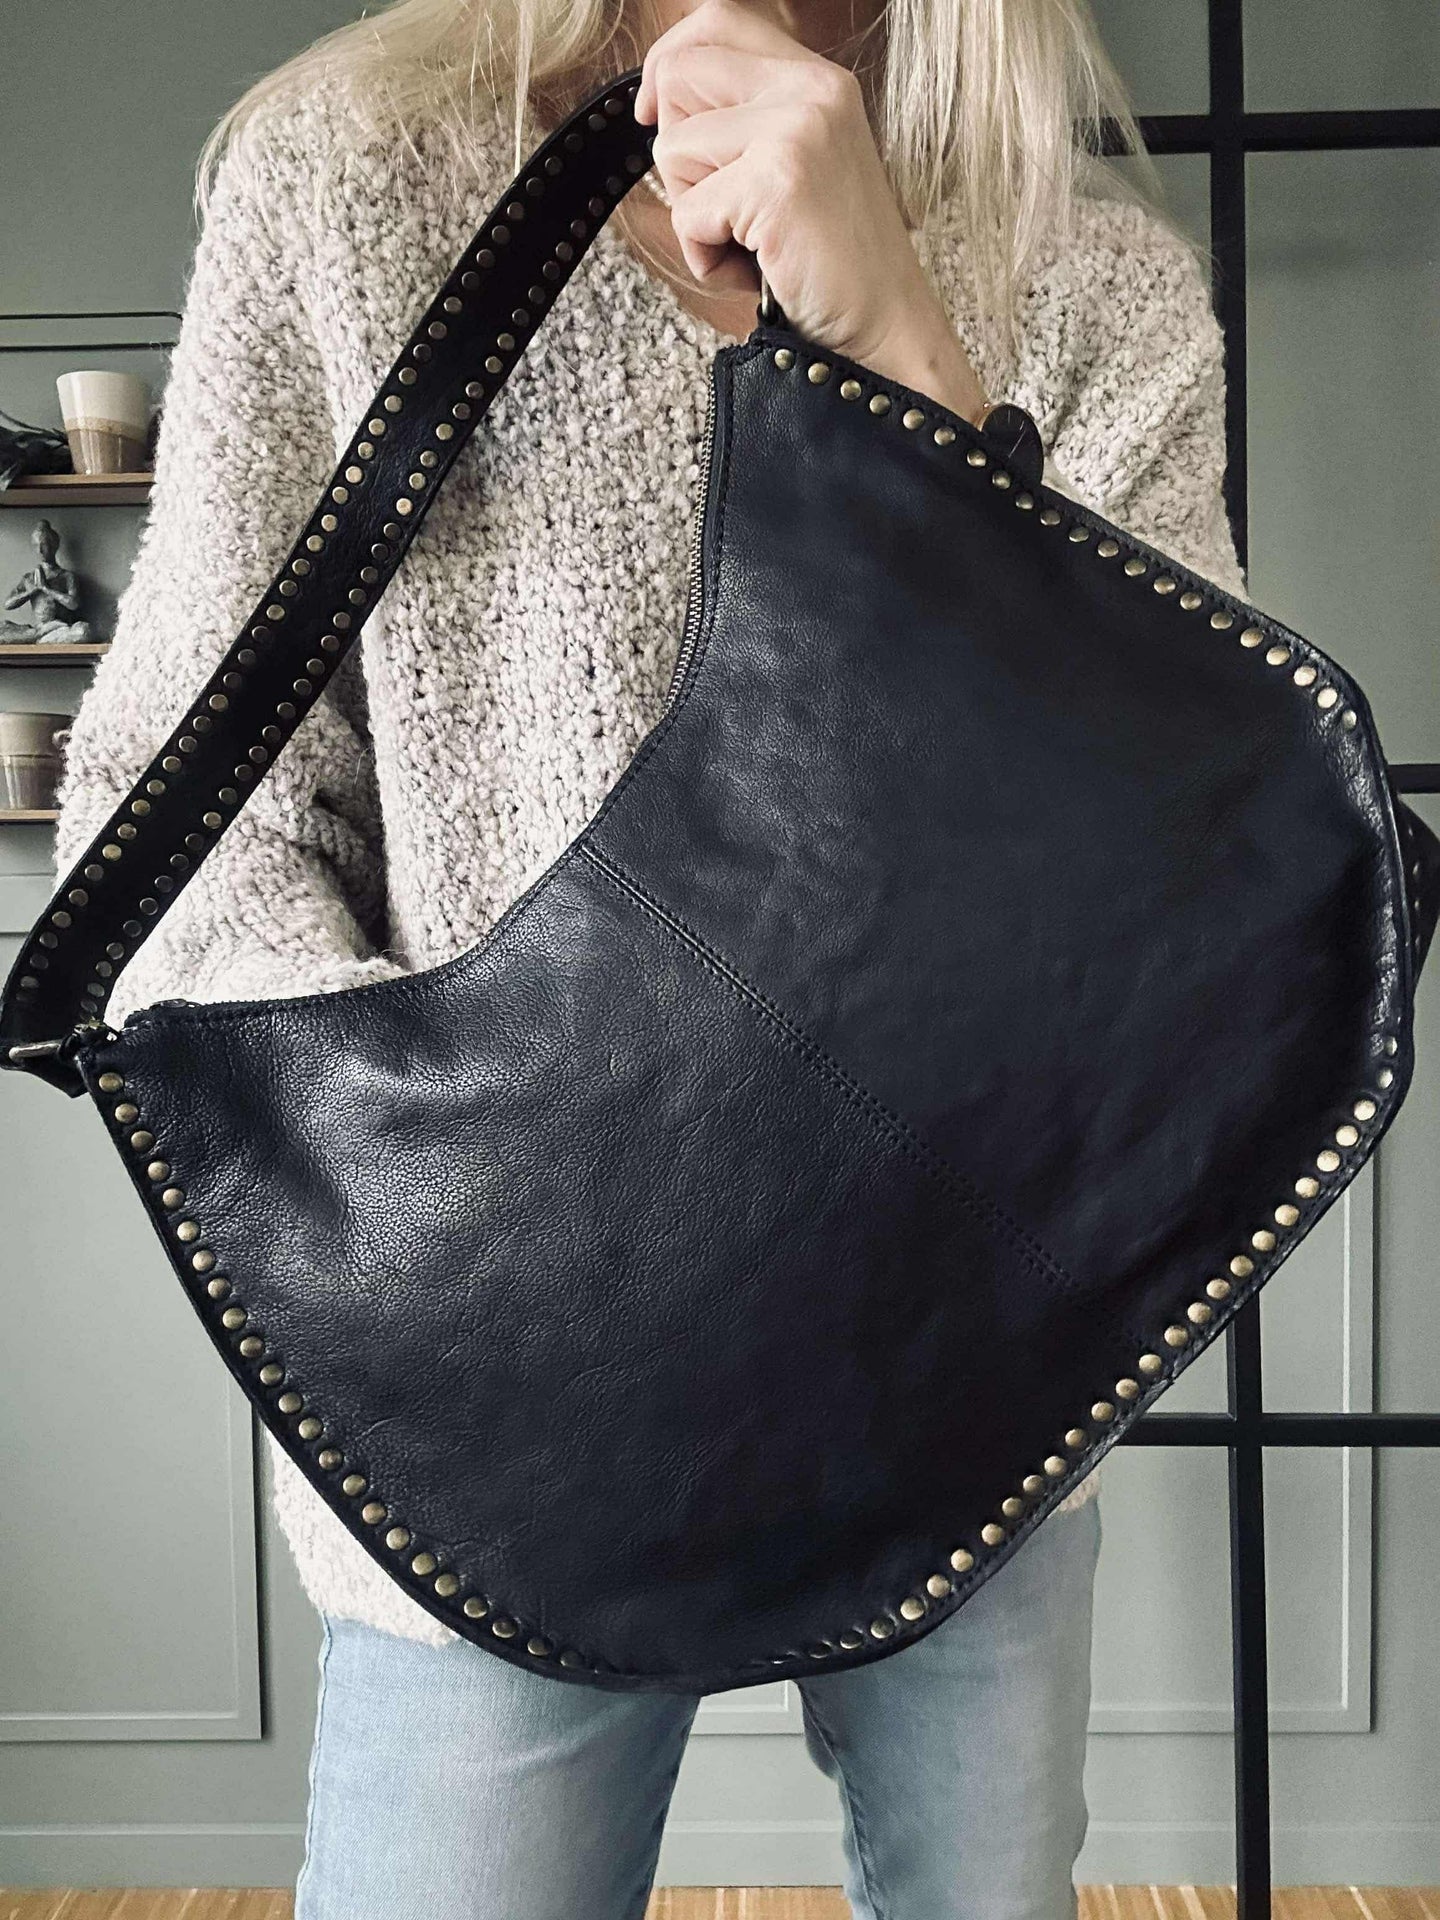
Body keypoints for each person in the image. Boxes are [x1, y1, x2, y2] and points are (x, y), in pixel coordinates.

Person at [52, 0, 1249, 1912]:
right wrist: (452, 1242)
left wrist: (903, 359)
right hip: (496, 1393)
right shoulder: (353, 181)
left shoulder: (1089, 280)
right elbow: (198, 813)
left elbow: (1164, 856)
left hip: (975, 1382)